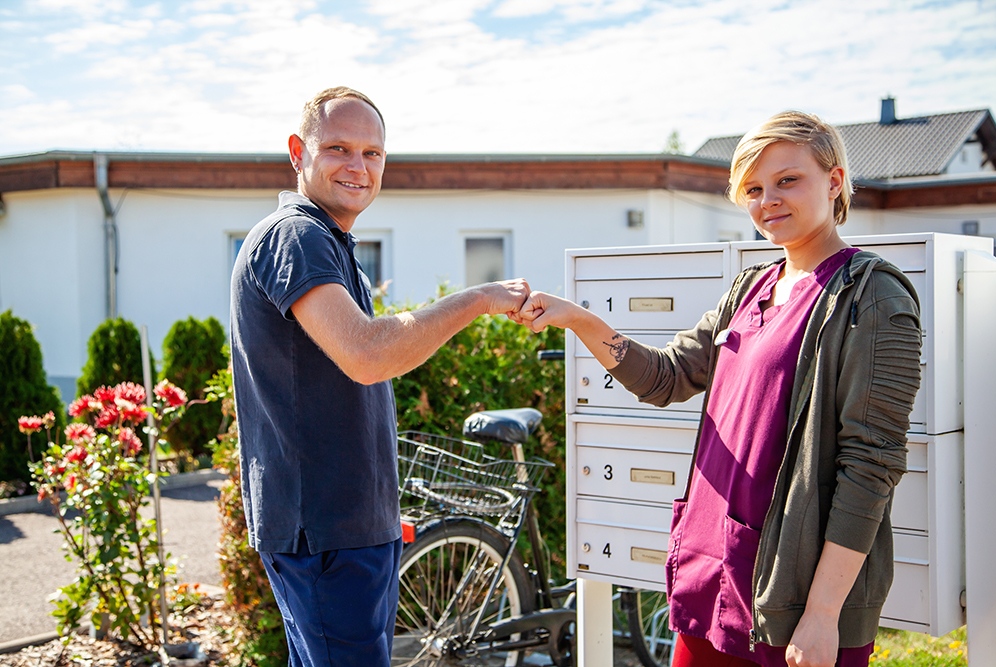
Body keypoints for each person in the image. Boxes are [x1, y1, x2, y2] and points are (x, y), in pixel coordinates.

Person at [518, 111, 922, 667]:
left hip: (794, 599)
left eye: (787, 180)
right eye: (753, 189)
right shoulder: (750, 289)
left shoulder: (874, 299)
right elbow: (664, 378)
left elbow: (871, 464)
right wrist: (578, 318)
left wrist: (824, 613)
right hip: (715, 575)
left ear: (834, 182)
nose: (768, 201)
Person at [229, 86, 530, 667]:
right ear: (298, 151)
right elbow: (368, 354)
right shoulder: (296, 236)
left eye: (372, 153)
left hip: (349, 523)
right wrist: (481, 298)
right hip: (326, 529)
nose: (357, 166)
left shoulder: (329, 240)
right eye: (338, 148)